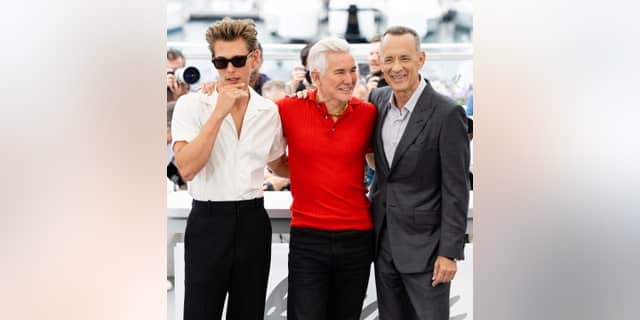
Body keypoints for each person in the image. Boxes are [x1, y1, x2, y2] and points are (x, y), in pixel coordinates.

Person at [170, 17, 285, 320]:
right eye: (221, 62)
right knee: (200, 313)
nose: (230, 70)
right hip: (208, 221)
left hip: (252, 221)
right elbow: (187, 168)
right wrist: (219, 112)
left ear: (254, 58)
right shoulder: (191, 105)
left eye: (237, 60)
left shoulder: (269, 111)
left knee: (249, 314)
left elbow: (279, 162)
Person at [269, 37, 377, 320]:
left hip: (357, 236)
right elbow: (274, 161)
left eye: (353, 70)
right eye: (339, 72)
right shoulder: (288, 108)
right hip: (308, 237)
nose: (350, 79)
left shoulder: (367, 113)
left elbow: (377, 160)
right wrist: (307, 171)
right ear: (315, 76)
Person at [368, 26, 470, 320]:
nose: (396, 67)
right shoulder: (378, 100)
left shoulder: (447, 113)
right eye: (388, 59)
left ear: (421, 59)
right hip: (384, 242)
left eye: (404, 58)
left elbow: (456, 188)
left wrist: (449, 252)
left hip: (427, 250)